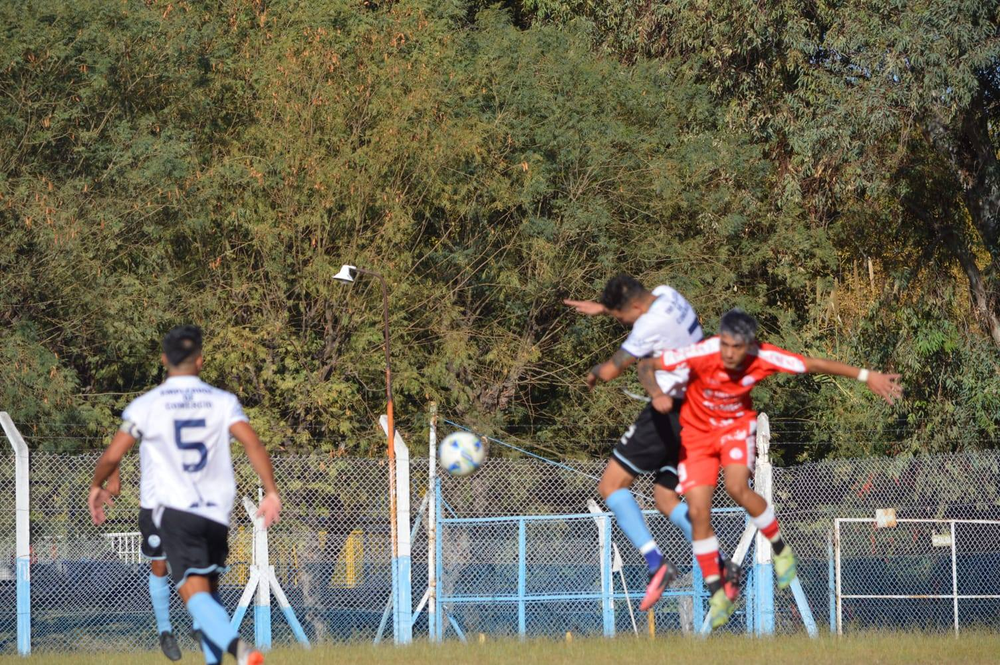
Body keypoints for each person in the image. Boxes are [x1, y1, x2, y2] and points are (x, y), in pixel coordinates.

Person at [648, 309, 902, 627]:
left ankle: (780, 549)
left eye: (736, 347)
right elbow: (650, 365)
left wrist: (867, 376)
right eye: (724, 344)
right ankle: (718, 593)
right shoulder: (704, 350)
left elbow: (814, 364)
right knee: (698, 512)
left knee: (737, 488)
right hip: (699, 435)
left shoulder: (763, 356)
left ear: (749, 345)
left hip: (735, 429)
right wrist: (657, 392)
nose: (728, 353)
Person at [88, 326, 282, 665]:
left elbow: (112, 456)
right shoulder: (223, 401)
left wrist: (96, 487)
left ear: (164, 360)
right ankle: (210, 654)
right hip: (217, 511)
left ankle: (239, 649)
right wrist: (271, 491)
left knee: (192, 590)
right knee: (207, 589)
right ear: (200, 361)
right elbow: (253, 443)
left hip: (175, 510)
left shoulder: (147, 405)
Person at [565, 274, 736, 612]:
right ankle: (720, 563)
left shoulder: (647, 327)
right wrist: (604, 308)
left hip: (669, 412)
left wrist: (594, 372)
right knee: (665, 497)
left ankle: (657, 564)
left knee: (611, 486)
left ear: (635, 307)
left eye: (619, 316)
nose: (620, 321)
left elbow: (614, 368)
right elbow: (638, 310)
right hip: (700, 411)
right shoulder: (667, 294)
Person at [103, 464, 182, 661]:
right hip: (153, 508)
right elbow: (119, 444)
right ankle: (165, 631)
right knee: (159, 563)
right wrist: (114, 477)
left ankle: (201, 624)